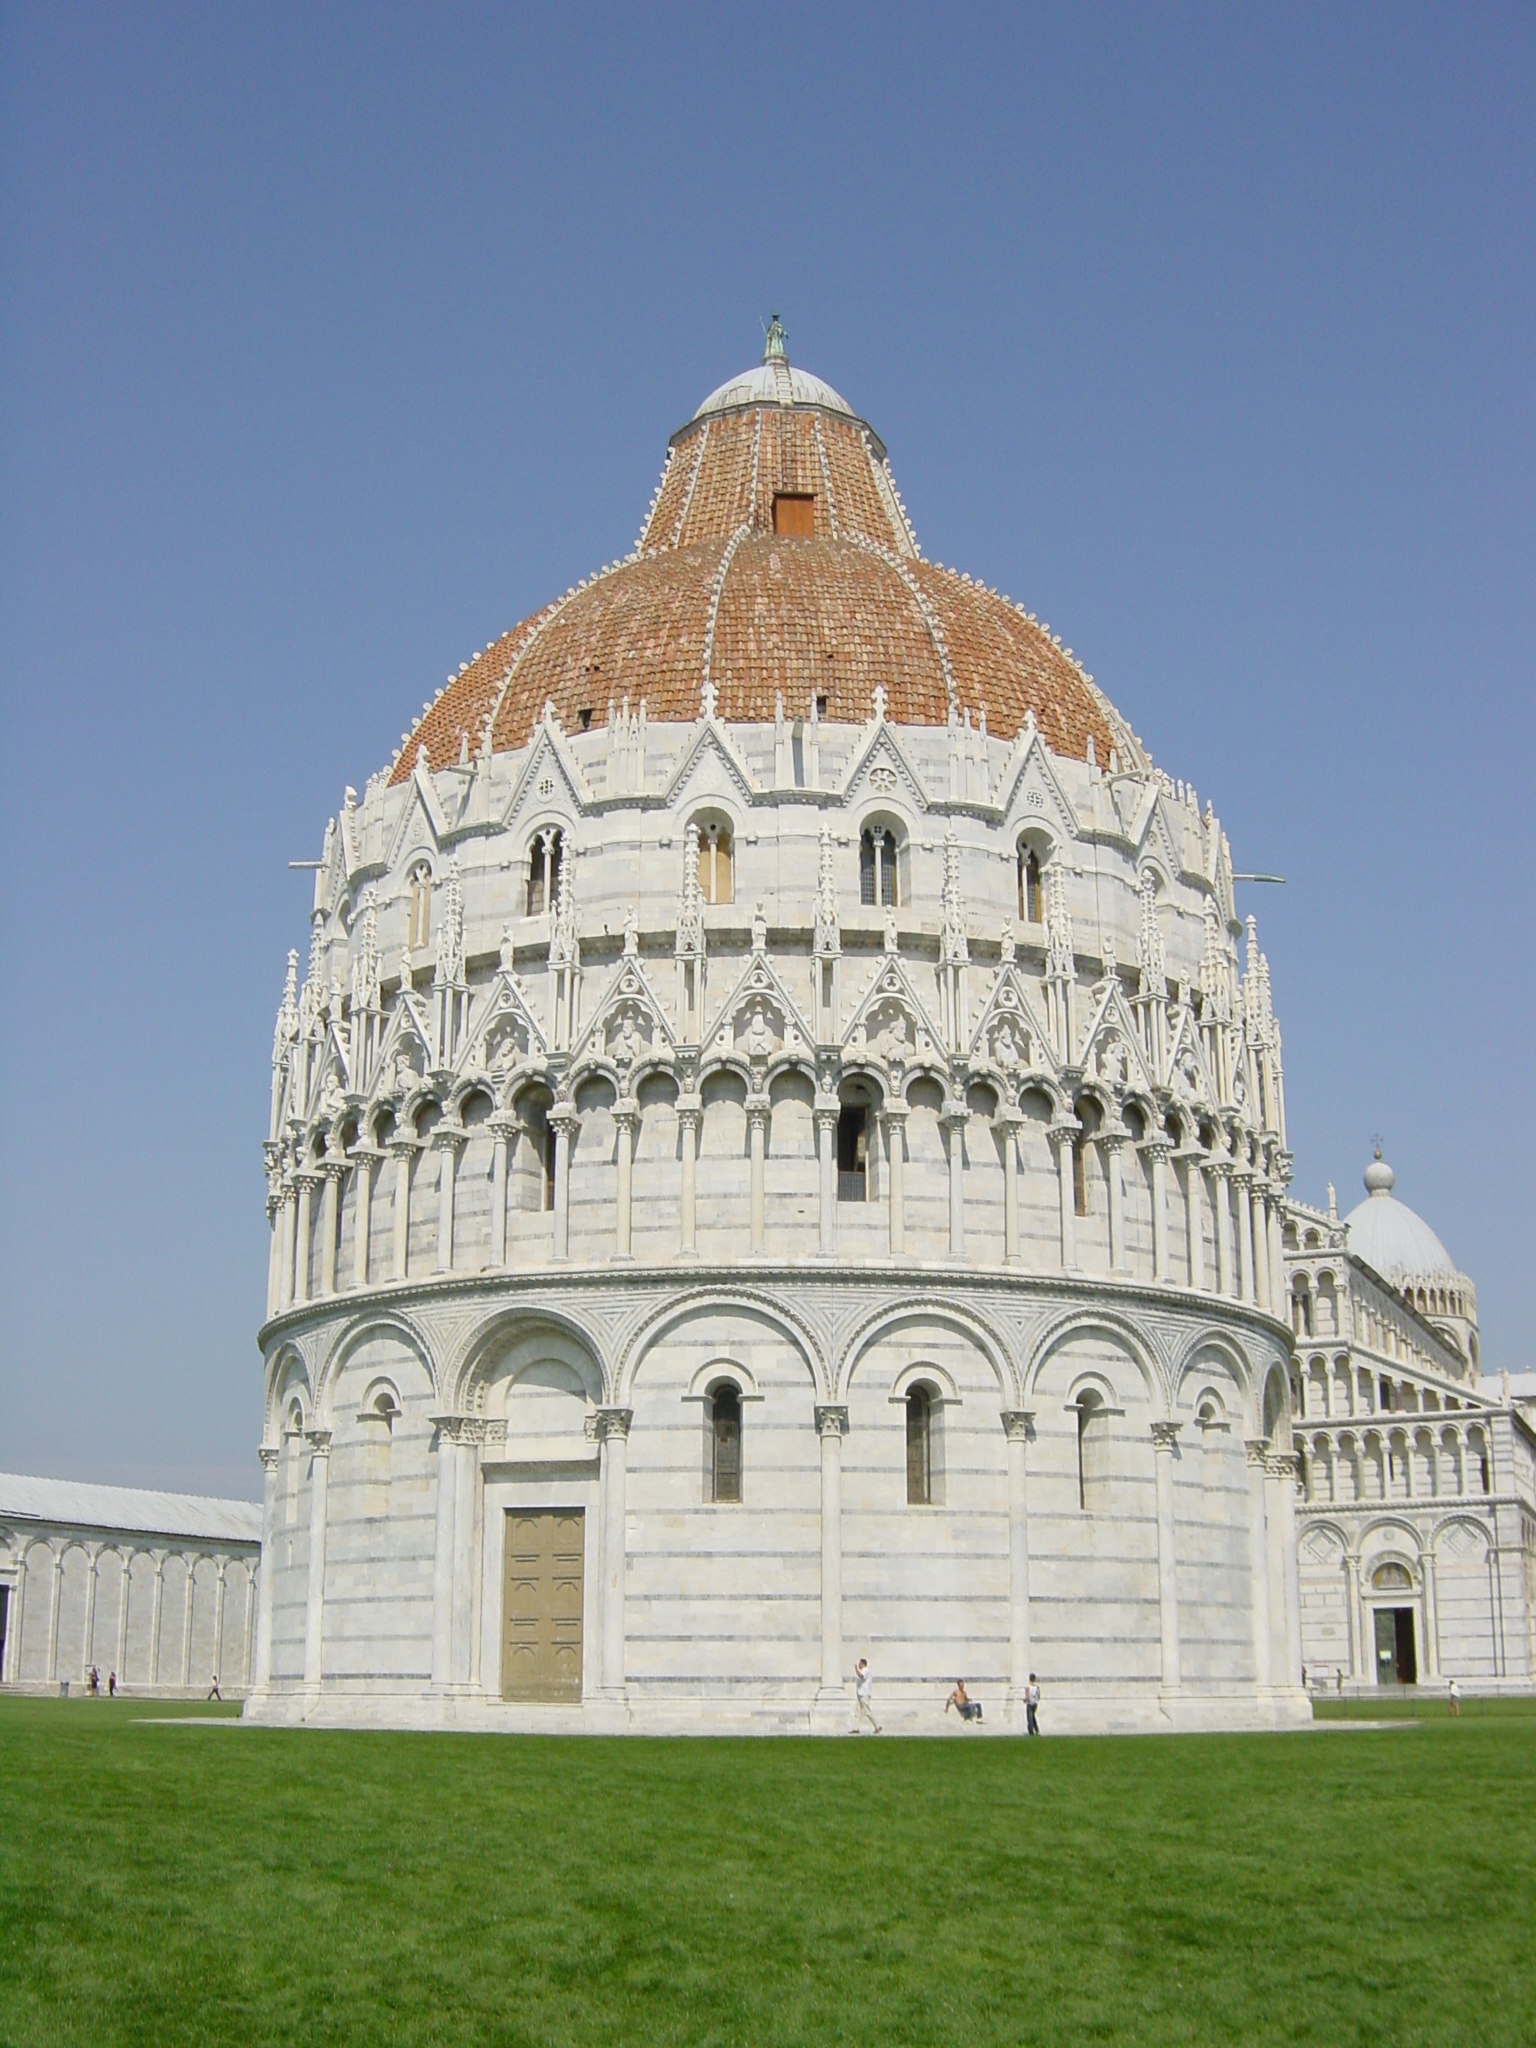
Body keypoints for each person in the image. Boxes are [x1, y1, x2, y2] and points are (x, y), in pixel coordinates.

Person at [852, 1657, 881, 1735]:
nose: (859, 1665)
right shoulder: (862, 1671)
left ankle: (876, 1727)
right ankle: (855, 1728)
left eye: (860, 1664)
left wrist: (855, 1668)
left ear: (863, 1664)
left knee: (867, 1712)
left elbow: (861, 1676)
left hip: (864, 1694)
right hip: (860, 1694)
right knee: (857, 1711)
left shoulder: (866, 1671)